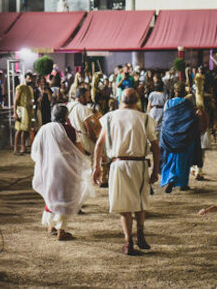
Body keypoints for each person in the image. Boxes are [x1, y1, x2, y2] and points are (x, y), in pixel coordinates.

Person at [93, 88, 160, 256]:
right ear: (137, 101)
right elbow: (155, 146)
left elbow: (99, 144)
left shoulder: (109, 117)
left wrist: (96, 167)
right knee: (139, 201)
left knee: (124, 205)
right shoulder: (145, 119)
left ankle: (128, 241)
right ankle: (141, 234)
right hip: (139, 164)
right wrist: (156, 169)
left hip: (119, 164)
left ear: (120, 100)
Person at [31, 104, 94, 241]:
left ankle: (51, 226)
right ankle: (61, 230)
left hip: (49, 167)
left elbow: (37, 149)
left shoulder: (44, 129)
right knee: (64, 197)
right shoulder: (70, 130)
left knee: (51, 194)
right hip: (66, 169)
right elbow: (78, 150)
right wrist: (85, 162)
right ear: (66, 116)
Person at [159, 82, 200, 193]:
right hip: (184, 135)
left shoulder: (168, 103)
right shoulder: (187, 103)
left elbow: (166, 118)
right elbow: (190, 118)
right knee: (183, 159)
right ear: (184, 92)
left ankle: (170, 178)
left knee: (171, 158)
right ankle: (182, 184)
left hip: (170, 135)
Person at [67, 87, 97, 155]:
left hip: (72, 142)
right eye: (88, 97)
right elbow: (90, 133)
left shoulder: (68, 106)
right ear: (81, 97)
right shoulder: (83, 109)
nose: (89, 99)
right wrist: (97, 142)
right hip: (84, 144)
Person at [12, 73, 35, 155]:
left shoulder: (29, 88)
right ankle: (15, 149)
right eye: (28, 78)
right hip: (21, 110)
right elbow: (16, 100)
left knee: (25, 130)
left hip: (27, 110)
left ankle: (23, 147)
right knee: (19, 129)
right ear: (25, 78)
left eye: (31, 78)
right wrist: (15, 112)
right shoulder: (20, 87)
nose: (30, 80)